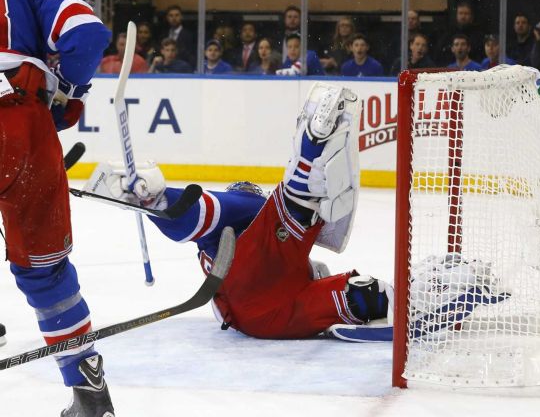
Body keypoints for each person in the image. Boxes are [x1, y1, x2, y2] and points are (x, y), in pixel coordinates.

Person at [89, 84, 393, 340]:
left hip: (259, 319)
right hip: (260, 303)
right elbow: (205, 212)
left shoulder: (233, 241)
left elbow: (199, 220)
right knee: (283, 222)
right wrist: (159, 201)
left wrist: (155, 203)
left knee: (365, 296)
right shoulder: (248, 206)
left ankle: (386, 302)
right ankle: (308, 162)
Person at [0, 0, 114, 415]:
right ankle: (89, 393)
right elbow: (84, 34)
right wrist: (67, 91)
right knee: (45, 271)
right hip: (26, 117)